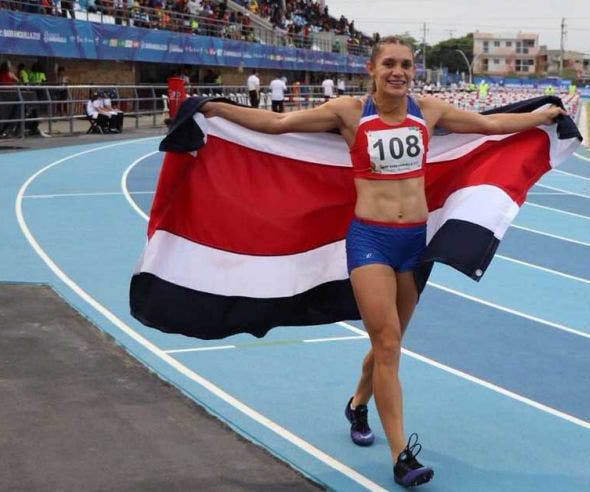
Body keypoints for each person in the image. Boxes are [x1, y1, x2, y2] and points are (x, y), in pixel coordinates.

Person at [198, 36, 564, 488]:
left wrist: (540, 117)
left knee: (387, 344)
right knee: (388, 345)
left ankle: (356, 403)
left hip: (414, 243)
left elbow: (488, 126)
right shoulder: (349, 112)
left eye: (406, 65)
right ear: (371, 68)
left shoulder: (428, 110)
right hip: (369, 240)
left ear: (414, 71)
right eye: (389, 63)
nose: (398, 71)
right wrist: (216, 110)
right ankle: (401, 457)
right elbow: (279, 124)